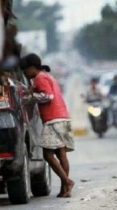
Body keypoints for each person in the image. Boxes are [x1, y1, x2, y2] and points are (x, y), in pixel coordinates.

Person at [20, 53, 74, 198]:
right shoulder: (47, 76)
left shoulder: (39, 78)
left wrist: (30, 98)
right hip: (62, 116)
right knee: (61, 153)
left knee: (48, 155)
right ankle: (65, 189)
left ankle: (67, 182)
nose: (24, 73)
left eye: (25, 70)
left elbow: (48, 96)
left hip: (53, 119)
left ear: (32, 68)